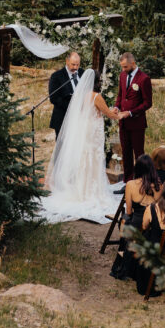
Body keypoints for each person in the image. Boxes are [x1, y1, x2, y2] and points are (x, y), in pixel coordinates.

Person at [39, 68, 120, 224]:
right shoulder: (96, 96)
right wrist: (118, 112)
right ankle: (91, 193)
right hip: (94, 133)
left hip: (86, 132)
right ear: (97, 81)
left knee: (86, 160)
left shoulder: (81, 96)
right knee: (94, 160)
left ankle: (82, 190)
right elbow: (109, 114)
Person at [110, 154, 160, 281]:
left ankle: (124, 262)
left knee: (125, 220)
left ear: (137, 168)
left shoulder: (131, 185)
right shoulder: (159, 185)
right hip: (153, 227)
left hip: (137, 225)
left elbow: (129, 211)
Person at [115, 52, 153, 181]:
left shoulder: (144, 79)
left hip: (137, 123)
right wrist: (117, 107)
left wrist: (130, 112)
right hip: (123, 123)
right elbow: (121, 95)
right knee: (125, 153)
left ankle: (142, 181)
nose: (123, 69)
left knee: (139, 154)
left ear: (133, 63)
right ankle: (128, 182)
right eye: (122, 67)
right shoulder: (122, 76)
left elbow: (148, 103)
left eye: (125, 67)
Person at [48, 50, 83, 140]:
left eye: (77, 65)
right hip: (63, 118)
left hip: (80, 117)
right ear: (67, 61)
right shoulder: (56, 76)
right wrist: (72, 106)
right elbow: (53, 98)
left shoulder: (83, 73)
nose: (75, 67)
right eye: (73, 64)